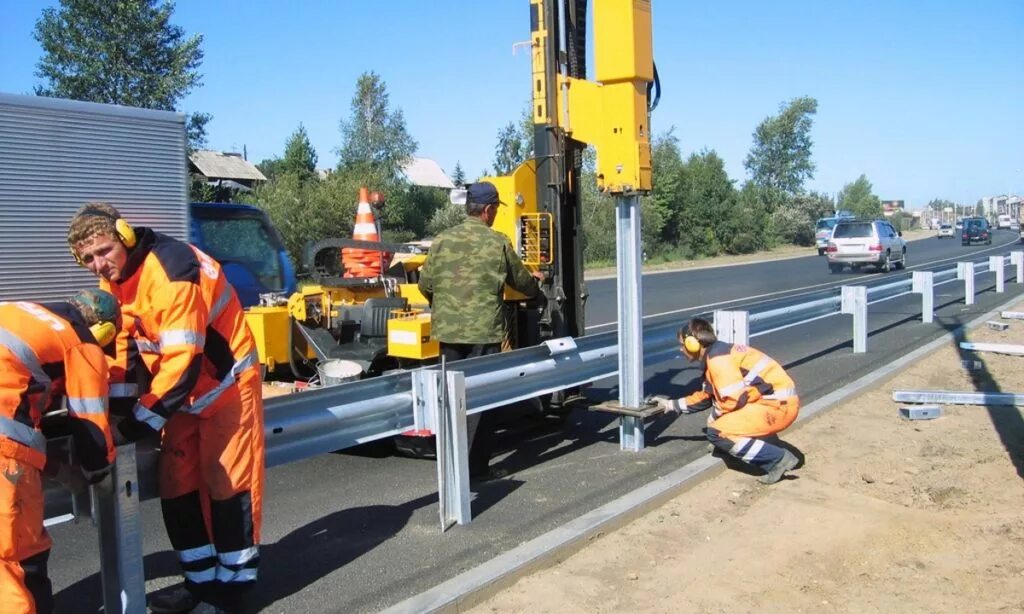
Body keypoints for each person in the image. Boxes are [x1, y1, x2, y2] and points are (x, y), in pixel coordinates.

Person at [67, 203, 265, 613]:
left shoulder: (172, 272)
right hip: (181, 394)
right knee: (176, 484)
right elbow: (123, 349)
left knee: (226, 485)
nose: (99, 265)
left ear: (123, 236)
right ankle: (200, 584)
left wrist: (138, 424)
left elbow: (182, 360)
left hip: (226, 386)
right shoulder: (117, 281)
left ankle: (232, 591)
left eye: (104, 251)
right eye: (88, 259)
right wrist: (116, 416)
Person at [0, 289, 118, 613]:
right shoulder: (79, 340)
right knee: (19, 559)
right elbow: (90, 420)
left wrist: (56, 470)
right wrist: (98, 471)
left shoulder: (23, 311)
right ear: (103, 331)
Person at [418, 181, 544, 480]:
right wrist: (536, 283)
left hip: (448, 334)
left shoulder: (441, 240)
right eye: (495, 210)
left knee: (451, 398)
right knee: (483, 401)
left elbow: (426, 284)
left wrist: (446, 306)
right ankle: (475, 470)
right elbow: (521, 283)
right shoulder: (497, 242)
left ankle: (450, 467)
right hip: (484, 334)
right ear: (488, 210)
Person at [651, 317, 800, 484]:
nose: (680, 349)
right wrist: (670, 405)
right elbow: (705, 397)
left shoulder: (718, 360)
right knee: (719, 426)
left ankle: (777, 459)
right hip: (775, 404)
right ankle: (739, 448)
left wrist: (716, 419)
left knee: (718, 432)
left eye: (682, 344)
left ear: (693, 343)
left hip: (776, 408)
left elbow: (733, 401)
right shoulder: (717, 353)